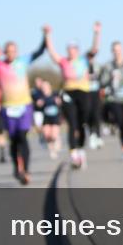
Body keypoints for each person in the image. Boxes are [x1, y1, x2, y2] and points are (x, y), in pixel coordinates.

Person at [0, 29, 47, 185]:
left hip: (24, 105)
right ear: (4, 53)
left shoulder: (23, 61)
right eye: (8, 52)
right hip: (8, 107)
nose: (11, 54)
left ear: (16, 52)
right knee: (14, 139)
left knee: (23, 137)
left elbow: (39, 52)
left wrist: (45, 36)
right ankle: (17, 167)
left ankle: (27, 170)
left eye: (13, 51)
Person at [45, 22, 101, 168]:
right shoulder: (63, 61)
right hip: (68, 93)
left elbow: (94, 49)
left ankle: (81, 149)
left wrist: (96, 33)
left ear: (77, 50)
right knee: (72, 124)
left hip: (83, 92)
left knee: (82, 123)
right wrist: (47, 35)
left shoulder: (83, 59)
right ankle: (73, 153)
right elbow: (51, 52)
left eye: (73, 49)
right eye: (68, 49)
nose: (71, 52)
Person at [34, 79, 63, 158]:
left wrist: (59, 101)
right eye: (43, 87)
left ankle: (57, 139)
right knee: (47, 135)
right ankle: (52, 150)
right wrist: (38, 104)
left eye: (46, 87)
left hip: (55, 118)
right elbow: (36, 106)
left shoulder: (55, 94)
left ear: (49, 87)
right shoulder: (40, 96)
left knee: (53, 135)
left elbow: (61, 102)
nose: (45, 88)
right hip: (46, 118)